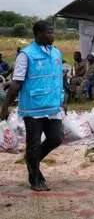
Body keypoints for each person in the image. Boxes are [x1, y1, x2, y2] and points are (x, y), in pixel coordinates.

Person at [0, 20, 66, 192]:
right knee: (33, 144)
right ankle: (34, 179)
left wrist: (63, 100)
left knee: (56, 138)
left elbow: (59, 78)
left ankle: (31, 160)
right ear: (38, 34)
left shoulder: (56, 53)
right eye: (49, 32)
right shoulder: (26, 55)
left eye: (53, 32)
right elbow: (16, 83)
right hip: (33, 108)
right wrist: (5, 107)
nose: (53, 35)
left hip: (52, 107)